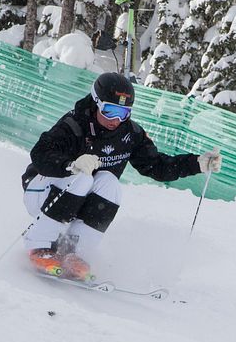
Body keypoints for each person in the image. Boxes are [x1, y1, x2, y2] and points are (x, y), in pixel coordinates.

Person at [21, 72, 222, 281]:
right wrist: (70, 165)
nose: (115, 120)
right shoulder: (74, 124)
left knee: (110, 183)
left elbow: (157, 166)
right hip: (41, 192)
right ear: (96, 103)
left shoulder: (130, 134)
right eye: (109, 111)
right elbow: (40, 154)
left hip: (78, 203)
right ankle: (39, 246)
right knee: (83, 177)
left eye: (123, 113)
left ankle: (74, 252)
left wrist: (197, 164)